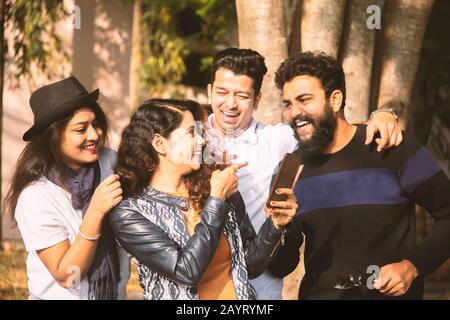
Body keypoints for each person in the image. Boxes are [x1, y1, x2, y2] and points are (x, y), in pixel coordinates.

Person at [201, 47, 403, 299]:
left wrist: (382, 115)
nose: (230, 103)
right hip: (195, 288)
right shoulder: (188, 138)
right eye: (222, 92)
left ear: (257, 99)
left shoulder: (278, 139)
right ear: (210, 91)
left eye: (242, 95)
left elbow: (337, 130)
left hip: (257, 291)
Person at [268, 51, 450, 299]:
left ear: (335, 99)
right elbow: (280, 267)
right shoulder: (289, 171)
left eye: (304, 99)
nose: (294, 113)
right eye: (288, 104)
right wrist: (279, 228)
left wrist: (413, 266)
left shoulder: (390, 146)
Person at [108, 99, 297, 300]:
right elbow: (186, 271)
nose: (201, 141)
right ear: (159, 144)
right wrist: (217, 200)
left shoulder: (213, 186)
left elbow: (249, 265)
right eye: (191, 133)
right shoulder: (130, 213)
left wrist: (275, 224)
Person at [3, 76, 123, 300]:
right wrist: (95, 211)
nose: (94, 135)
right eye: (81, 129)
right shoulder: (36, 196)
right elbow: (67, 275)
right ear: (53, 137)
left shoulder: (109, 162)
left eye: (95, 124)